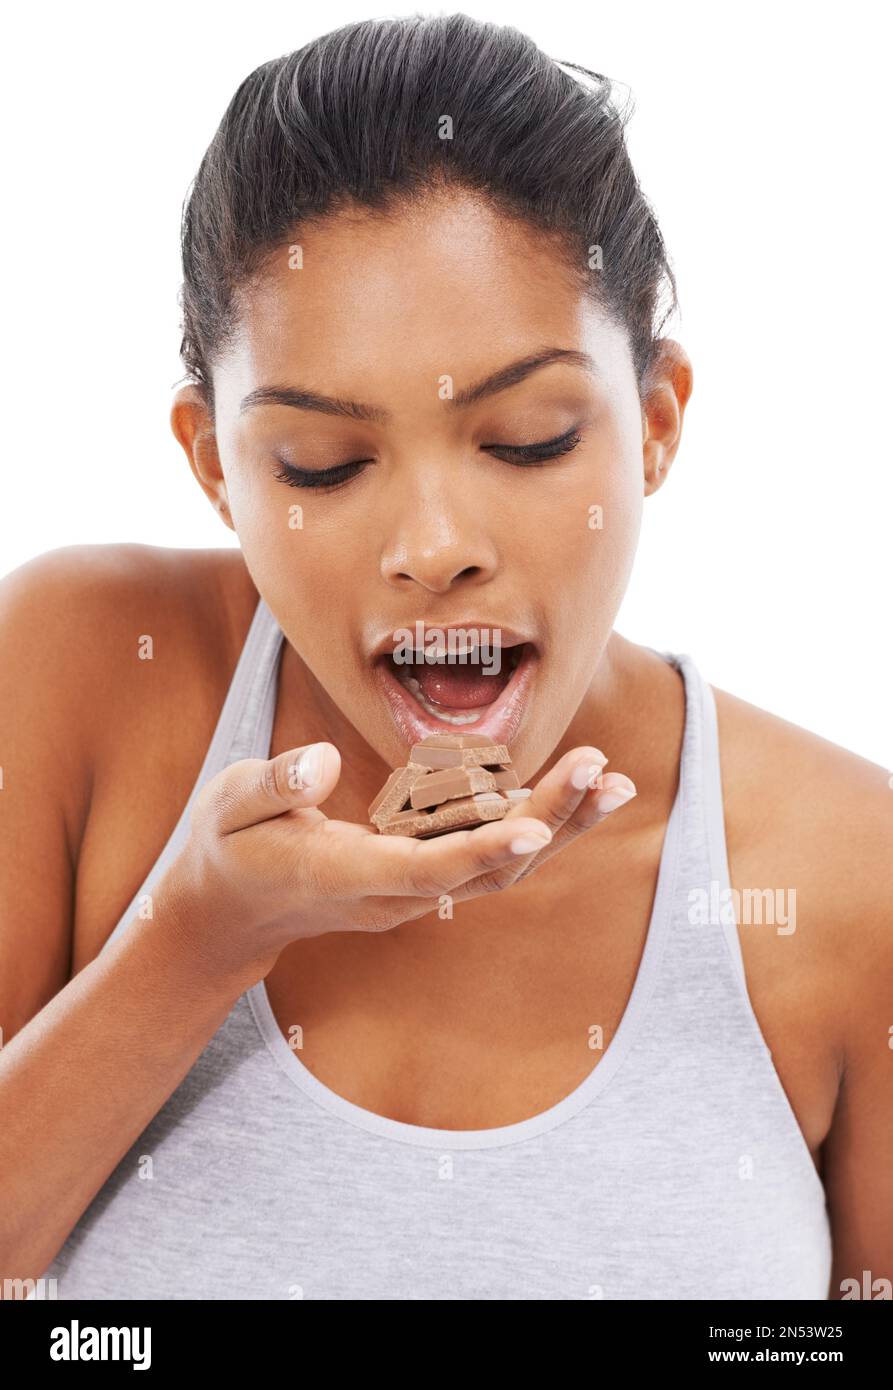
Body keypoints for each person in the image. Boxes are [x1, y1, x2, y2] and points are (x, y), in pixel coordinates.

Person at [1, 14, 889, 1301]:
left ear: (652, 424)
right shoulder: (79, 677)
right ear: (215, 466)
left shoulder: (849, 874)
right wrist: (194, 942)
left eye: (525, 439)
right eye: (323, 463)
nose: (432, 548)